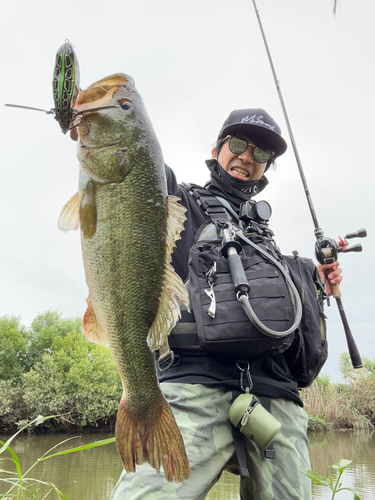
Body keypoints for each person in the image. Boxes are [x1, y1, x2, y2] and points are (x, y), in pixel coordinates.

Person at [110, 108, 342, 500]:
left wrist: (315, 282)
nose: (247, 157)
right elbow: (138, 164)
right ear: (217, 149)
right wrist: (106, 122)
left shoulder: (266, 240)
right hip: (195, 382)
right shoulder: (179, 201)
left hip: (274, 390)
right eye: (237, 144)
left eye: (261, 153)